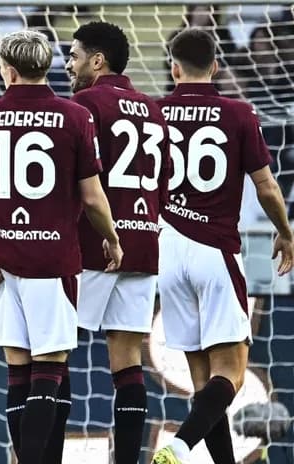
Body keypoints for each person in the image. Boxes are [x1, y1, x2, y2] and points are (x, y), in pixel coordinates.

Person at [0, 30, 122, 464]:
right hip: (54, 260)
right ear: (45, 66)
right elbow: (92, 196)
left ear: (7, 68)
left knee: (18, 372)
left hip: (3, 261)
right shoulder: (74, 116)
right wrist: (112, 237)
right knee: (51, 368)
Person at [151, 28, 294, 464]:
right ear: (216, 66)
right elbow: (267, 188)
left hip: (168, 252)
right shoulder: (237, 112)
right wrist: (286, 232)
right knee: (230, 373)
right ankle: (177, 447)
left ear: (173, 68)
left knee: (202, 383)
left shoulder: (153, 113)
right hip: (215, 250)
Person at [65, 21, 170, 464]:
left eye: (73, 56)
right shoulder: (152, 108)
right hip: (143, 243)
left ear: (97, 59)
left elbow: (76, 181)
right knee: (128, 365)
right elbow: (165, 180)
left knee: (47, 353)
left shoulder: (85, 104)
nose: (67, 65)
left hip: (96, 245)